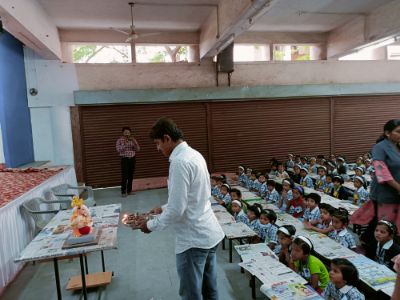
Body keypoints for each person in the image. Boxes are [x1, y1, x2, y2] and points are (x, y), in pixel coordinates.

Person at [139, 117, 224, 300]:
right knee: (210, 291)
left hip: (193, 239)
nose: (158, 149)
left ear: (167, 138)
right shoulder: (194, 154)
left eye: (158, 143)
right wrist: (163, 208)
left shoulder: (179, 162)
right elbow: (195, 196)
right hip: (209, 233)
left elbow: (178, 209)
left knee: (191, 294)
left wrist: (150, 225)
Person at [369, 119, 400, 230]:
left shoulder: (398, 147)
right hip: (385, 193)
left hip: (397, 193)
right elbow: (382, 173)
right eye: (398, 132)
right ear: (387, 133)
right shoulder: (380, 147)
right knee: (385, 225)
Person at [116, 126, 140, 197]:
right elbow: (119, 150)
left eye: (128, 132)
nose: (127, 134)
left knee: (131, 176)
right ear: (123, 133)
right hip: (124, 159)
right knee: (124, 176)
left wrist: (134, 142)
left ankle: (129, 191)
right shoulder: (119, 140)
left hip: (132, 159)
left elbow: (138, 149)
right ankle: (123, 192)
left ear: (130, 133)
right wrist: (125, 143)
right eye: (125, 132)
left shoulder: (132, 140)